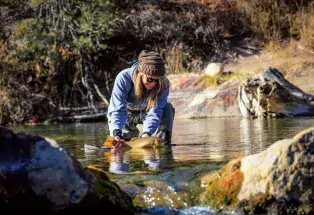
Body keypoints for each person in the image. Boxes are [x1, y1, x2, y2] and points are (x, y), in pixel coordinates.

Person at [107, 50, 175, 145]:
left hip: (146, 113)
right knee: (122, 148)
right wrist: (116, 132)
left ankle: (162, 143)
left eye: (157, 80)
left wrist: (147, 133)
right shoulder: (123, 78)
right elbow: (117, 109)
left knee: (168, 108)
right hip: (126, 115)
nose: (153, 83)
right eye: (150, 79)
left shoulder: (163, 84)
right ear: (141, 73)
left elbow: (155, 111)